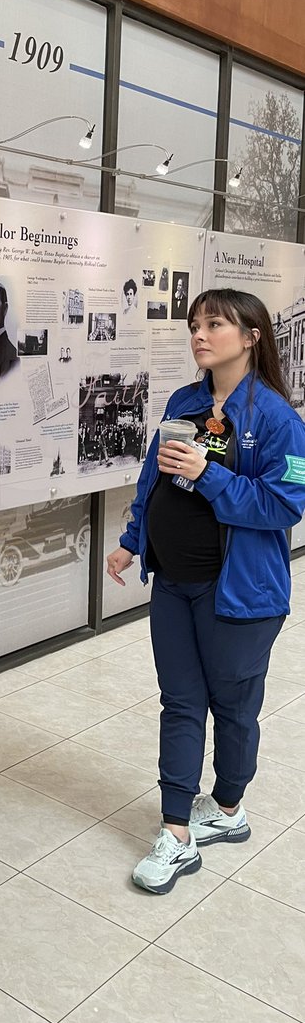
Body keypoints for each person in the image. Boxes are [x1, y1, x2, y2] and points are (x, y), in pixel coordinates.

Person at [106, 288, 305, 894]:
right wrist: (134, 538)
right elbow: (153, 476)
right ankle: (176, 833)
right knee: (181, 701)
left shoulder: (277, 418)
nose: (199, 333)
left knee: (234, 709)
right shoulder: (184, 400)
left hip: (239, 592)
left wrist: (210, 475)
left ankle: (228, 807)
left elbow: (285, 504)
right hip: (172, 582)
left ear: (250, 337)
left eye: (214, 324)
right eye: (195, 324)